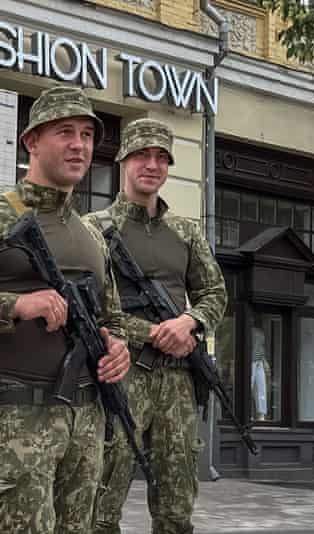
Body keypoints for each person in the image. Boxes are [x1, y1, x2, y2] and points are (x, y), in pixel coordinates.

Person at [0, 85, 131, 534]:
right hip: (18, 421)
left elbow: (111, 317)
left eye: (86, 134)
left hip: (86, 426)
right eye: (65, 132)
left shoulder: (94, 235)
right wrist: (16, 305)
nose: (79, 144)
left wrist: (118, 345)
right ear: (32, 142)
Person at [85, 118, 227, 534]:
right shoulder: (94, 229)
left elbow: (214, 293)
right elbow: (93, 308)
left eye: (162, 158)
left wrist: (190, 322)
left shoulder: (186, 233)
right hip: (120, 373)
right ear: (123, 160)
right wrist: (152, 334)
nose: (153, 165)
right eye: (143, 155)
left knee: (176, 503)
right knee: (101, 501)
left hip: (179, 382)